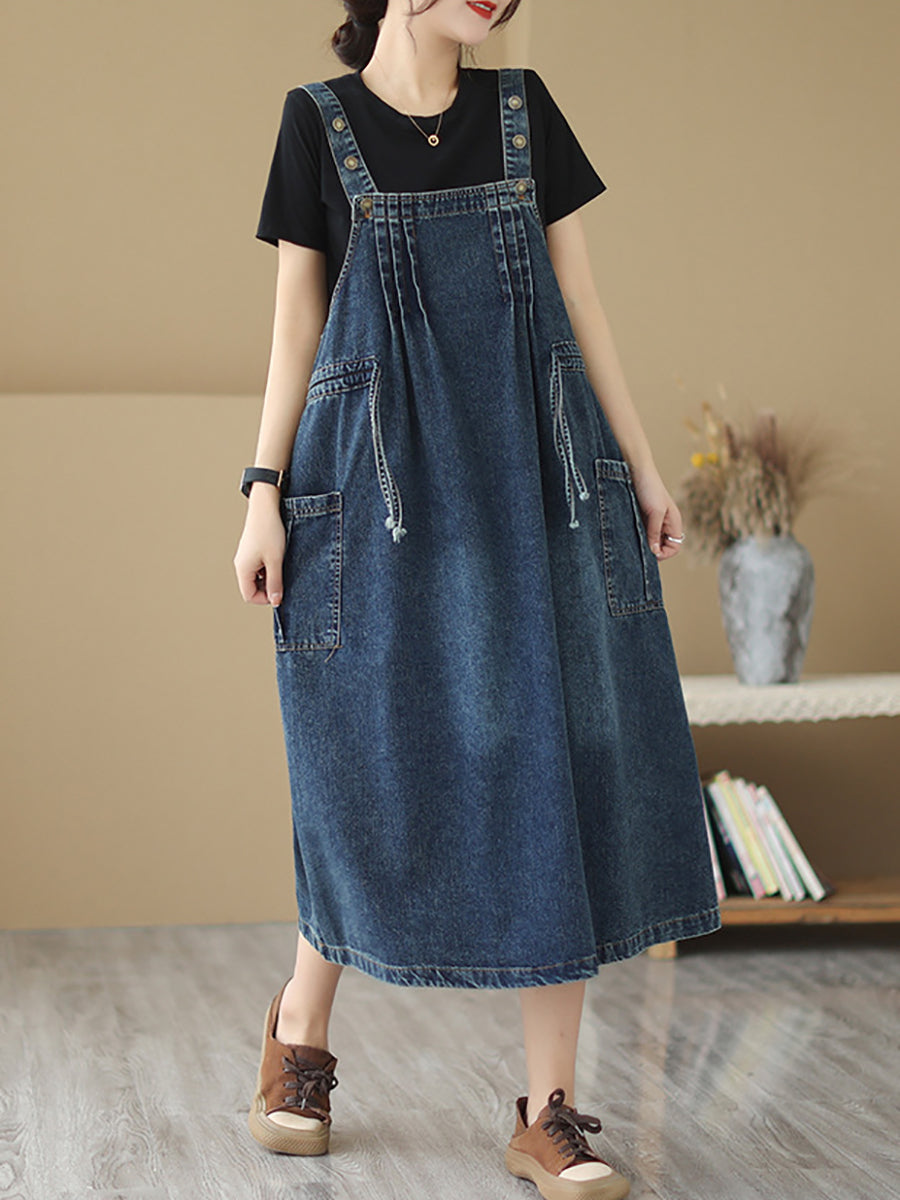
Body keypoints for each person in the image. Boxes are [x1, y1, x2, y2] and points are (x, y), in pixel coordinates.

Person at [234, 2, 722, 1197]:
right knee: (368, 757)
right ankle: (299, 1034)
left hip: (536, 474)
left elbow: (582, 301)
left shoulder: (522, 111)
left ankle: (549, 1113)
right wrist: (262, 491)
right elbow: (298, 324)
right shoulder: (317, 124)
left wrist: (642, 467)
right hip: (377, 488)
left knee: (557, 760)